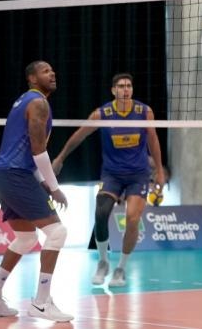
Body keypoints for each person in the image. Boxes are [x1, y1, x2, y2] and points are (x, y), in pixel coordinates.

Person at [52, 72, 165, 287]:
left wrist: (159, 170)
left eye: (129, 86)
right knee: (101, 212)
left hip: (138, 175)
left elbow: (153, 140)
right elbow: (79, 135)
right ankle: (103, 262)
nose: (125, 90)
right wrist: (60, 158)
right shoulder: (102, 114)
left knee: (132, 219)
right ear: (113, 90)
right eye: (121, 86)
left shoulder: (144, 112)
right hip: (111, 174)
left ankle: (121, 268)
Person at [0, 61, 73, 321]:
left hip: (4, 174)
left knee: (25, 238)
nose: (52, 73)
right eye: (46, 70)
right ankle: (40, 302)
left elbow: (29, 152)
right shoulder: (38, 103)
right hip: (15, 175)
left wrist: (40, 183)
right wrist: (54, 187)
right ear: (32, 78)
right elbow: (38, 151)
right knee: (57, 232)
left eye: (53, 69)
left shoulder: (25, 101)